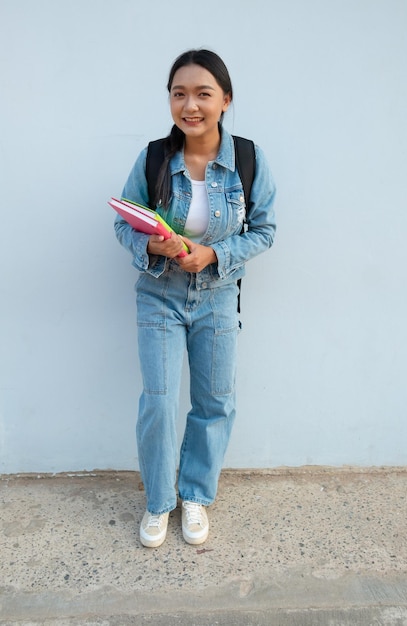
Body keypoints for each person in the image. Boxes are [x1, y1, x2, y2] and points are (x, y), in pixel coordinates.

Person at [114, 49, 276, 548]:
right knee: (159, 403)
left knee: (214, 402)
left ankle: (196, 495)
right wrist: (148, 243)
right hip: (159, 296)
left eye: (203, 94)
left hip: (218, 297)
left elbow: (265, 231)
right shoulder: (154, 157)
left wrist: (213, 255)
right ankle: (160, 502)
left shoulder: (248, 159)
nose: (190, 105)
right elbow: (123, 221)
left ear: (225, 100)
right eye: (179, 93)